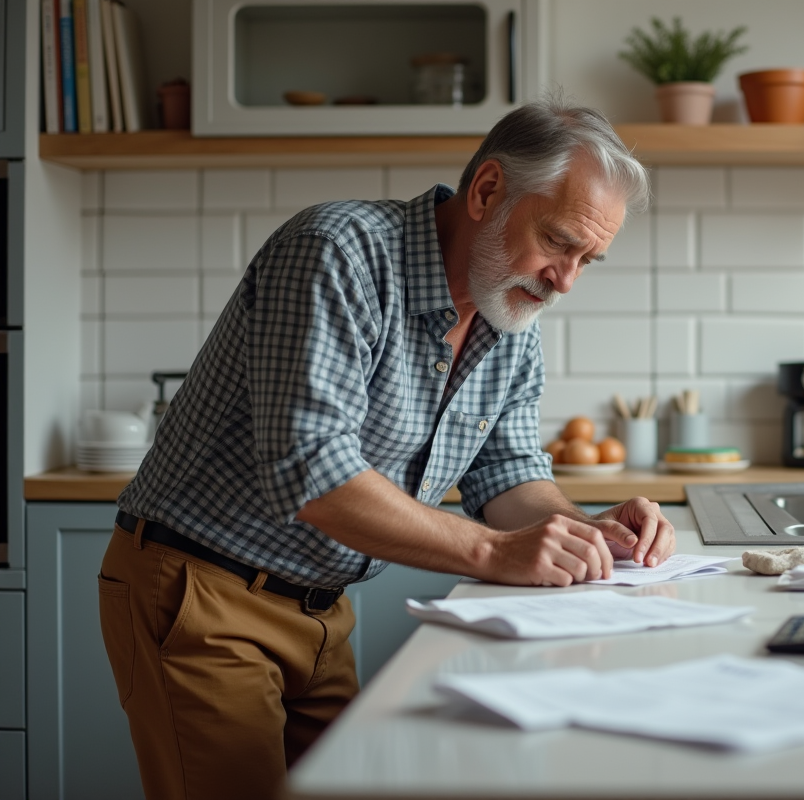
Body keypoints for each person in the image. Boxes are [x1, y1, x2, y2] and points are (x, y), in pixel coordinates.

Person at [96, 97, 674, 800]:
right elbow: (313, 472)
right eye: (558, 241)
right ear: (487, 190)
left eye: (588, 259)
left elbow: (508, 471)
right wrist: (494, 552)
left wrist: (587, 532)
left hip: (322, 611)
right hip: (203, 593)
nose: (566, 279)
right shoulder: (337, 250)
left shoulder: (509, 311)